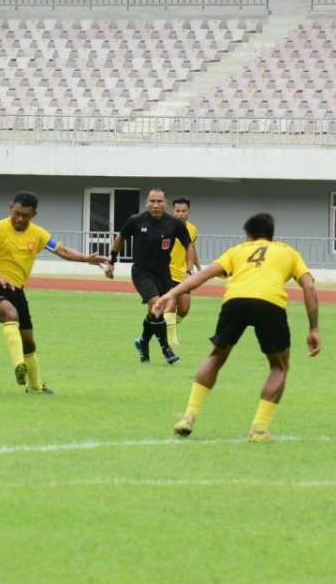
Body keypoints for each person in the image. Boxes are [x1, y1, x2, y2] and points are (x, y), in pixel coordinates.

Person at [155, 212, 320, 441]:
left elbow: (203, 275)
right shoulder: (288, 252)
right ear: (271, 236)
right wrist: (313, 328)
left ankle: (189, 417)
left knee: (216, 356)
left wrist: (171, 294)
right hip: (270, 303)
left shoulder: (238, 250)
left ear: (248, 236)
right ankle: (259, 430)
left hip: (235, 301)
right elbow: (309, 287)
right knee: (279, 367)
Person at [0, 191, 111, 393]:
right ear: (10, 208)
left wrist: (86, 258)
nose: (20, 219)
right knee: (10, 314)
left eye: (25, 215)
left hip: (18, 292)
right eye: (16, 213)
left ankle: (35, 387)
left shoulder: (39, 234)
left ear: (34, 214)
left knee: (29, 342)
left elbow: (61, 250)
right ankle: (18, 366)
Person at [108, 188, 195, 365]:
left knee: (154, 311)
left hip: (163, 273)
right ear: (147, 203)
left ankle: (143, 343)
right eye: (152, 201)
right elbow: (120, 237)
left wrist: (189, 271)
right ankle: (166, 349)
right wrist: (112, 261)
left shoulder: (175, 224)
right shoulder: (136, 220)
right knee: (158, 305)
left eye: (159, 201)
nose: (155, 205)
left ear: (165, 204)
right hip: (142, 272)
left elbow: (188, 245)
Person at [166, 196, 200, 350]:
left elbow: (191, 249)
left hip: (184, 274)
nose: (180, 214)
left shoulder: (192, 229)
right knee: (171, 304)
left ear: (188, 212)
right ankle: (171, 339)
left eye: (183, 211)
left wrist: (197, 268)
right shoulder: (166, 227)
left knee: (184, 309)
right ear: (173, 211)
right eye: (177, 211)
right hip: (166, 272)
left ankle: (166, 326)